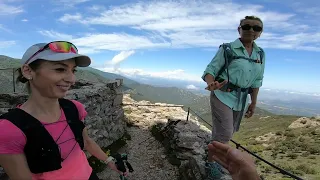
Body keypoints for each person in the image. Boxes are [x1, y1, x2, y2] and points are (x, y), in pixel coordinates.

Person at [0, 41, 127, 180]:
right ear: (28, 71)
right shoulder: (9, 129)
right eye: (60, 69)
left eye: (73, 70)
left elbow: (86, 141)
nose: (72, 79)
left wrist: (110, 162)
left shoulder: (74, 108)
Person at [202, 16, 265, 179]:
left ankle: (211, 149)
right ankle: (210, 165)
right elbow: (210, 70)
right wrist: (211, 83)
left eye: (256, 28)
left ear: (260, 33)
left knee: (224, 132)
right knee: (225, 132)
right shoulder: (227, 49)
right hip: (222, 95)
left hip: (241, 99)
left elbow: (257, 80)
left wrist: (254, 102)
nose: (251, 30)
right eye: (247, 26)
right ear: (239, 29)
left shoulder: (260, 54)